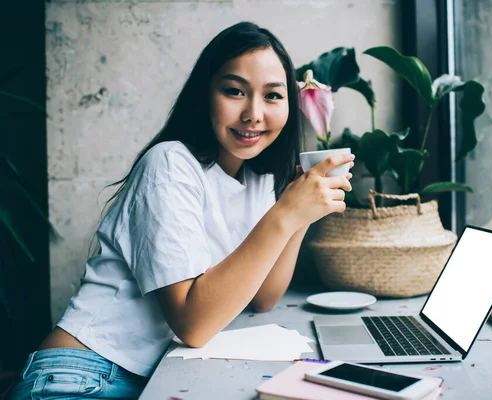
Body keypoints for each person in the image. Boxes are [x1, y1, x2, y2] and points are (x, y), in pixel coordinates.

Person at [8, 21, 353, 399]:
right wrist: (285, 213)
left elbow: (264, 297)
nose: (254, 114)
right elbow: (194, 324)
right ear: (205, 94)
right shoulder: (170, 165)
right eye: (235, 91)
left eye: (273, 96)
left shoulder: (255, 179)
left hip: (155, 377)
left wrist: (299, 212)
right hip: (82, 374)